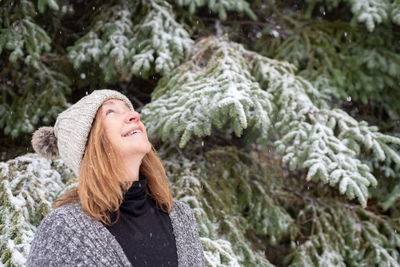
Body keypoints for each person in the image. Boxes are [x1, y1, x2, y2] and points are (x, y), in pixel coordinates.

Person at [27, 89, 205, 267]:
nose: (134, 115)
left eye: (128, 109)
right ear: (89, 143)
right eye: (110, 112)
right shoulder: (64, 229)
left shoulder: (181, 218)